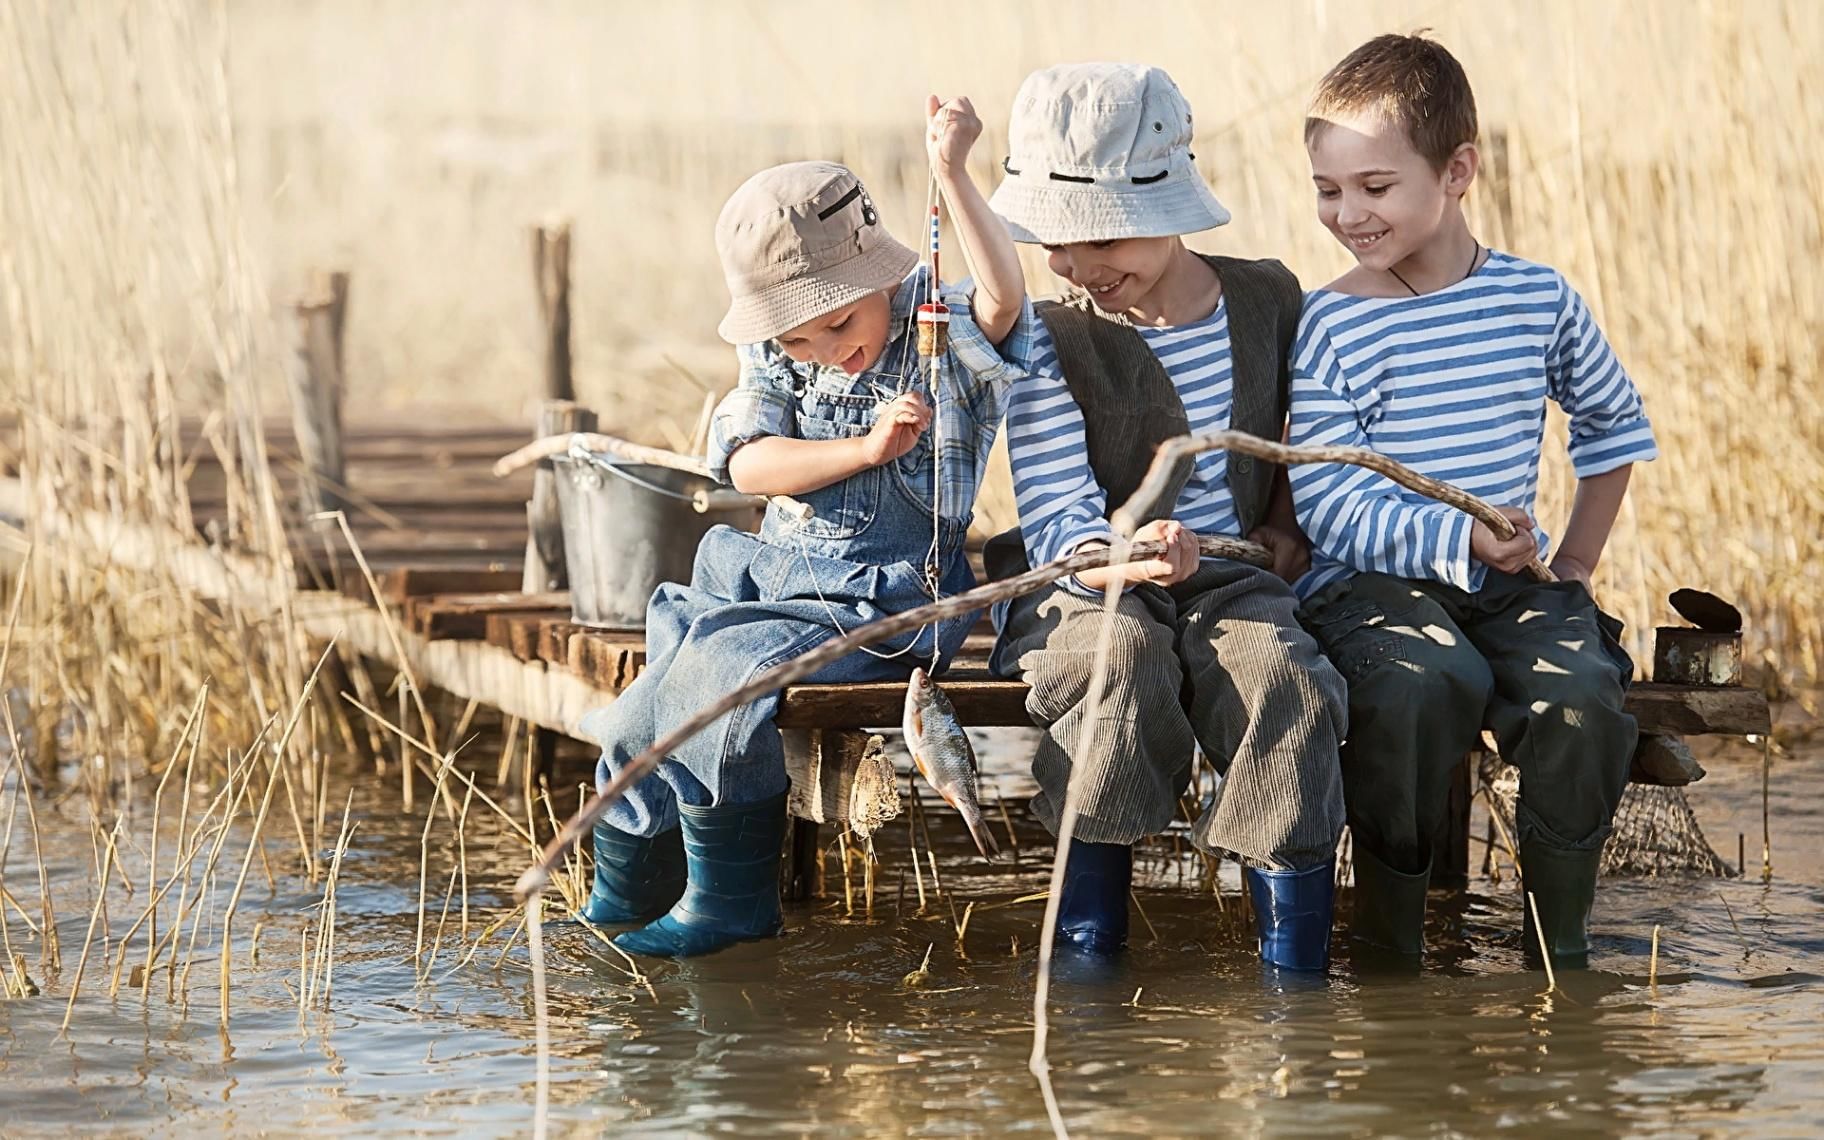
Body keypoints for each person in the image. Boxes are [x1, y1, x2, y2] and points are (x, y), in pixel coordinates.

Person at [578, 98, 1033, 959]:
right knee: (639, 708)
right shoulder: (777, 353)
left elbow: (1008, 297)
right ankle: (627, 888)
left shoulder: (936, 331)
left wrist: (953, 173)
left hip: (890, 601)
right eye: (800, 340)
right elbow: (746, 466)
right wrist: (863, 448)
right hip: (774, 578)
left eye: (840, 323)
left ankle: (732, 900)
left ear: (882, 280)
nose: (829, 349)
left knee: (720, 670)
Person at [1290, 33, 1658, 968]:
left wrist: (1574, 561)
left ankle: (1559, 951)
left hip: (1510, 582)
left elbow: (1614, 423)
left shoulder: (1535, 298)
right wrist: (1459, 539)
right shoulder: (1333, 320)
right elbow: (1328, 504)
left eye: (1375, 187)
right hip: (1369, 586)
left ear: (1458, 171)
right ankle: (1391, 948)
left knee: (1582, 697)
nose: (1348, 213)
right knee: (1423, 684)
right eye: (1330, 190)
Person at [986, 62, 1347, 972]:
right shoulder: (1049, 335)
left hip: (1233, 571)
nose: (1075, 266)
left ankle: (1291, 970)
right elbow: (1058, 506)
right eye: (1055, 245)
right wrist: (1122, 558)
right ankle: (1087, 952)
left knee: (1285, 682)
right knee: (1118, 661)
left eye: (1099, 237)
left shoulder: (1269, 299)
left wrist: (1288, 529)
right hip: (1085, 577)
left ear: (1172, 210)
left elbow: (1301, 443)